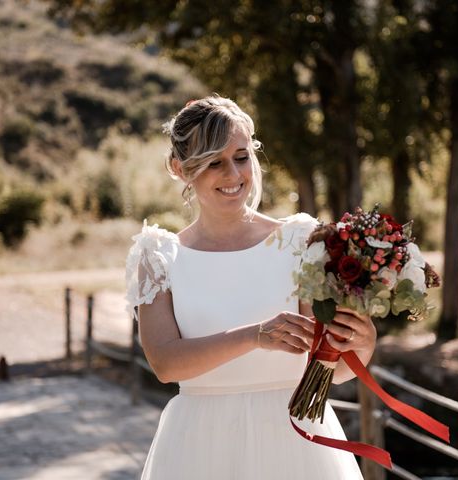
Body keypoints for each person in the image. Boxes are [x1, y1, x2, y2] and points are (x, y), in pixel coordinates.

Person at [126, 95, 377, 479]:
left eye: (241, 157)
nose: (233, 175)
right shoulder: (158, 255)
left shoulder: (300, 241)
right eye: (214, 162)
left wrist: (362, 343)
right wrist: (254, 336)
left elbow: (330, 368)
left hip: (298, 441)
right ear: (180, 169)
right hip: (199, 444)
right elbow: (164, 363)